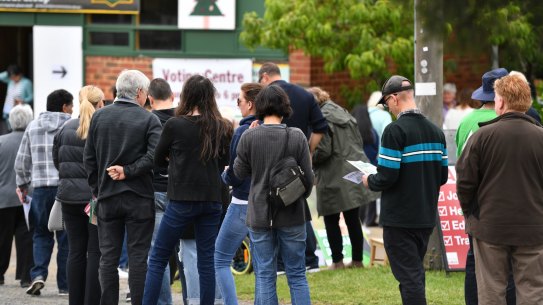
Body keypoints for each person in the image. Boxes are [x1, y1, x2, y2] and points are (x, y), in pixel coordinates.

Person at [143, 75, 233, 305]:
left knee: (158, 258)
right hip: (212, 200)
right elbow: (225, 159)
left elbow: (157, 161)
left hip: (181, 200)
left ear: (187, 95)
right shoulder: (221, 126)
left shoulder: (175, 124)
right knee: (206, 262)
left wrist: (175, 160)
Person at [456, 75, 543, 305]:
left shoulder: (482, 137)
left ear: (501, 102)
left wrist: (471, 213)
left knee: (491, 291)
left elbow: (464, 183)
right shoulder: (540, 137)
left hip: (489, 226)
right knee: (533, 291)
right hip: (533, 227)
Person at [361, 75, 448, 305]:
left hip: (400, 219)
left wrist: (369, 180)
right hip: (425, 217)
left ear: (394, 98)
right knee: (414, 274)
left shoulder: (394, 131)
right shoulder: (436, 132)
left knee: (409, 277)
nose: (387, 108)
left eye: (386, 103)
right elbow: (443, 176)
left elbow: (386, 176)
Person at [84, 70, 162, 305]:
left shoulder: (99, 117)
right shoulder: (149, 119)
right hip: (139, 198)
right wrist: (130, 171)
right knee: (138, 258)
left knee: (108, 258)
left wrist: (98, 187)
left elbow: (89, 159)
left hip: (107, 197)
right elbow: (155, 157)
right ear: (139, 92)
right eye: (146, 93)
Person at [234, 84, 314, 305]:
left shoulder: (249, 137)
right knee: (297, 274)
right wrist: (294, 195)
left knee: (265, 275)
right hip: (293, 212)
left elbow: (238, 172)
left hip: (259, 213)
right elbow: (308, 180)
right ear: (284, 107)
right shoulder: (297, 136)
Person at [455, 68, 516, 305]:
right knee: (509, 261)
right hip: (505, 199)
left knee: (473, 258)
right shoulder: (511, 120)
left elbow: (461, 161)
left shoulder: (465, 121)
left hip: (476, 201)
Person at [258, 62, 327, 272]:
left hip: (271, 157)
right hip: (297, 159)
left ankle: (280, 262)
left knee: (273, 206)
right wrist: (308, 150)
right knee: (298, 204)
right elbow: (321, 127)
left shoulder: (267, 97)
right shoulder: (305, 95)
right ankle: (309, 258)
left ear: (264, 77)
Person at [309, 87, 376, 270]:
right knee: (352, 217)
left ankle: (337, 261)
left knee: (331, 218)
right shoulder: (343, 113)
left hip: (331, 174)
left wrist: (308, 154)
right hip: (352, 170)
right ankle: (357, 260)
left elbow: (323, 150)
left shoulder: (320, 118)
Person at [14, 89, 73, 296]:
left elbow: (21, 162)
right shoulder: (70, 126)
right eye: (71, 105)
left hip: (39, 189)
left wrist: (23, 184)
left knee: (41, 234)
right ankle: (65, 286)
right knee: (66, 236)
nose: (73, 109)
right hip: (65, 189)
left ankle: (38, 275)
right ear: (65, 106)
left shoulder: (33, 126)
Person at [53, 85, 104, 305]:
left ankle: (75, 301)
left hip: (69, 198)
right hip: (94, 199)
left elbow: (58, 161)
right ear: (99, 103)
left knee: (75, 250)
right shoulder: (101, 129)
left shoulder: (64, 129)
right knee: (94, 251)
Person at [215, 83, 262, 304]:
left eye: (239, 101)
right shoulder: (276, 128)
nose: (238, 106)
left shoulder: (243, 131)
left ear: (250, 104)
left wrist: (225, 176)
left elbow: (235, 172)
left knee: (220, 258)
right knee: (263, 265)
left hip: (242, 202)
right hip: (266, 204)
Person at [148, 78, 176, 305]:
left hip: (155, 190)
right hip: (181, 192)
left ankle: (164, 302)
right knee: (189, 252)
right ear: (173, 96)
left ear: (149, 99)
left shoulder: (148, 120)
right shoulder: (183, 121)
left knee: (158, 254)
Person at [0, 105, 34, 288]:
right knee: (26, 237)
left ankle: (0, 274)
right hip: (27, 195)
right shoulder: (31, 140)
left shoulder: (1, 141)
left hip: (3, 197)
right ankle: (25, 276)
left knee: (2, 237)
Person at [351, 104, 380, 227]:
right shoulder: (373, 133)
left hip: (355, 169)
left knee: (357, 199)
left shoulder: (351, 133)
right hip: (371, 169)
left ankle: (358, 222)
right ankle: (369, 220)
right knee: (371, 197)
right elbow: (377, 150)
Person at [1, 64, 33, 135]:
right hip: (8, 110)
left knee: (17, 130)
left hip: (19, 110)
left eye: (15, 76)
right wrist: (9, 72)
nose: (13, 78)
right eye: (11, 77)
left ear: (20, 74)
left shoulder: (26, 82)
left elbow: (31, 96)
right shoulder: (10, 81)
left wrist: (23, 101)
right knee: (7, 131)